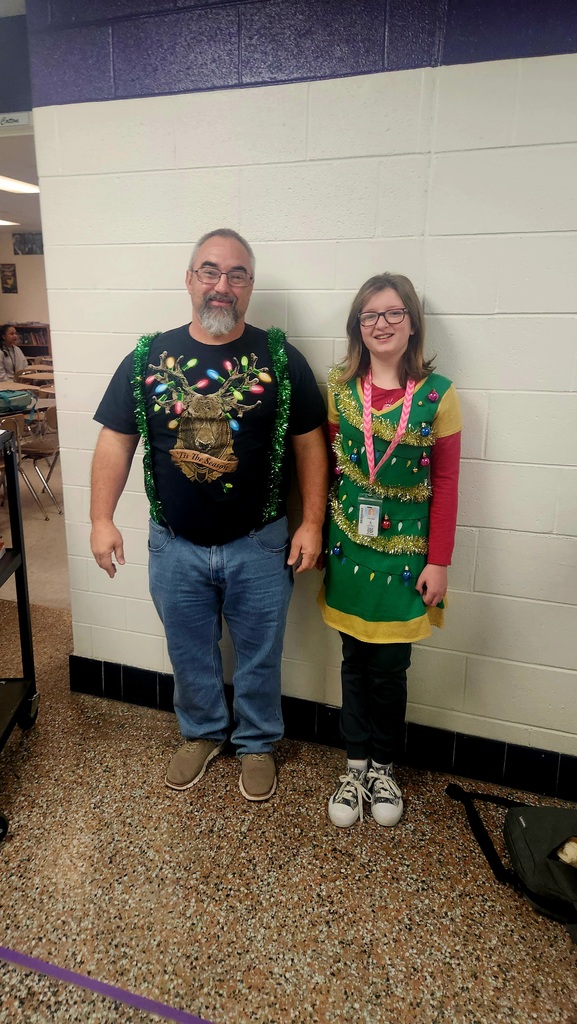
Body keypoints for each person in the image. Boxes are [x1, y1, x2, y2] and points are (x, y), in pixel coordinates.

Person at [91, 228, 328, 802]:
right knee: (188, 648)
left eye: (237, 274)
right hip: (175, 545)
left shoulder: (279, 357)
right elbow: (115, 442)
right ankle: (201, 732)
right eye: (210, 271)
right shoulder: (147, 358)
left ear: (249, 286)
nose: (222, 286)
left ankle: (257, 742)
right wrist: (101, 518)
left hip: (261, 541)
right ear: (190, 279)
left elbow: (310, 444)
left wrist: (312, 522)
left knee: (260, 651)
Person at [318, 273, 461, 828]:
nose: (382, 324)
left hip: (408, 560)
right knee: (353, 662)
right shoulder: (339, 388)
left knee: (390, 669)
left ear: (412, 323)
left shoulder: (439, 394)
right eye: (370, 315)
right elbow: (325, 468)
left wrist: (440, 560)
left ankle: (383, 766)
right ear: (358, 325)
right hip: (350, 549)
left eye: (394, 314)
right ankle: (354, 766)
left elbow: (446, 484)